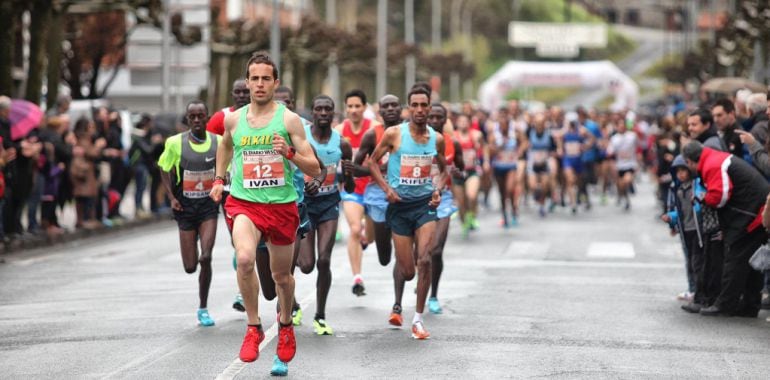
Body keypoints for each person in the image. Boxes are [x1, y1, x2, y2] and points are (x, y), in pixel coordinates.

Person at [209, 52, 320, 364]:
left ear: (276, 83)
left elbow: (315, 167)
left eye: (265, 79)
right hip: (245, 203)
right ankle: (254, 327)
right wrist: (219, 178)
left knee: (281, 277)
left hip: (282, 206)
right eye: (254, 78)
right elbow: (226, 145)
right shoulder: (234, 119)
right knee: (244, 259)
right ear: (247, 82)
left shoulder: (288, 120)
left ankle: (285, 325)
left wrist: (289, 153)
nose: (259, 84)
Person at [367, 86, 448, 339]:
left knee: (425, 259)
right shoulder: (394, 135)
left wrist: (437, 190)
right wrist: (386, 189)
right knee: (409, 270)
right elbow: (371, 162)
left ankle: (418, 319)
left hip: (424, 205)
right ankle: (407, 296)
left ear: (430, 106)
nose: (420, 110)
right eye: (415, 105)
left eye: (425, 105)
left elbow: (444, 170)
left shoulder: (437, 139)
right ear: (408, 107)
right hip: (399, 207)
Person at [682, 141, 769, 317]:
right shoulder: (715, 159)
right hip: (754, 211)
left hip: (749, 214)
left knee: (736, 258)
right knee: (752, 261)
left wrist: (703, 198)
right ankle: (750, 305)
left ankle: (725, 304)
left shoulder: (712, 164)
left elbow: (719, 196)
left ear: (689, 161)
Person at [296, 95, 355, 336]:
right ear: (312, 112)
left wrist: (349, 175)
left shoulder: (343, 144)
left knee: (324, 260)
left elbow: (349, 188)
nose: (323, 113)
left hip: (330, 204)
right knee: (307, 265)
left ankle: (320, 315)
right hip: (305, 204)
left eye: (327, 109)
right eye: (318, 109)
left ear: (333, 113)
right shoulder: (302, 138)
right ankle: (292, 304)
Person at [158, 101, 219, 327]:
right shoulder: (175, 143)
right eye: (191, 116)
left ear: (207, 118)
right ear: (187, 119)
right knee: (190, 266)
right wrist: (172, 197)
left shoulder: (218, 142)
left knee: (206, 257)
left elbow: (227, 167)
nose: (196, 120)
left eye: (200, 116)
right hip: (184, 207)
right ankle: (191, 241)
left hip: (208, 207)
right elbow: (164, 168)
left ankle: (203, 307)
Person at [336, 89, 380, 297]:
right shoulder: (339, 130)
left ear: (364, 107)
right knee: (354, 229)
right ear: (346, 108)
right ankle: (357, 278)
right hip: (351, 189)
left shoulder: (373, 130)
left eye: (357, 106)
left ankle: (365, 236)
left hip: (371, 188)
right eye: (350, 106)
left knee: (369, 238)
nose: (353, 110)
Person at [355, 94, 403, 266]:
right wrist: (377, 169)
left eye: (394, 105)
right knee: (384, 258)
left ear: (401, 109)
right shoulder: (371, 135)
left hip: (406, 193)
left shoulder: (410, 132)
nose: (390, 109)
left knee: (405, 251)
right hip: (378, 194)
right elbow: (356, 169)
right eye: (386, 106)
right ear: (379, 111)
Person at [427, 103, 464, 314]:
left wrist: (458, 174)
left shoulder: (453, 144)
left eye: (438, 117)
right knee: (422, 252)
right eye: (431, 117)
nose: (434, 121)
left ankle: (433, 295)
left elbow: (461, 170)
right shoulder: (416, 141)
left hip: (444, 198)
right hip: (419, 198)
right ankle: (422, 275)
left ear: (445, 120)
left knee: (436, 250)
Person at [661, 155, 702, 306]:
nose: (681, 174)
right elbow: (680, 211)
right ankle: (693, 290)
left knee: (698, 262)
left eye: (684, 170)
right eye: (678, 171)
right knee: (690, 261)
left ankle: (700, 292)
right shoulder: (679, 190)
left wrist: (697, 200)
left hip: (697, 230)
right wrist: (671, 218)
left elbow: (700, 204)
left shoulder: (696, 185)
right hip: (686, 231)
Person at [488, 107, 524, 226]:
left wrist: (519, 151)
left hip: (511, 166)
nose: (503, 126)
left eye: (505, 124)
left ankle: (514, 209)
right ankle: (504, 214)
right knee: (502, 192)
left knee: (510, 189)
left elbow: (525, 142)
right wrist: (496, 148)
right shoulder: (494, 132)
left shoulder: (515, 131)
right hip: (498, 166)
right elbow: (489, 148)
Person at [453, 113, 486, 236]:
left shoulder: (476, 135)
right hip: (458, 173)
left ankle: (472, 216)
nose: (463, 123)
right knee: (461, 203)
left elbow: (484, 147)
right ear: (457, 123)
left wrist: (485, 160)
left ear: (469, 123)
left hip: (472, 171)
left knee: (472, 196)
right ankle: (464, 222)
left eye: (465, 121)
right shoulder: (453, 136)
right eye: (460, 121)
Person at [557, 112, 594, 214]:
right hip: (568, 159)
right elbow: (558, 137)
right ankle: (573, 203)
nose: (572, 124)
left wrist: (585, 146)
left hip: (579, 159)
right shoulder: (565, 131)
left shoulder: (581, 130)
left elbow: (592, 138)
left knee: (579, 181)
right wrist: (560, 148)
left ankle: (582, 196)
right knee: (570, 180)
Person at [526, 113, 557, 217]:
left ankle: (542, 205)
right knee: (533, 185)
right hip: (533, 162)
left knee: (544, 185)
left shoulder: (549, 134)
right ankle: (536, 197)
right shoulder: (530, 132)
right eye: (537, 122)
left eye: (542, 123)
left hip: (544, 162)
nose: (539, 125)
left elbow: (554, 148)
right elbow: (524, 143)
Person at [607, 117, 638, 211]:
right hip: (620, 165)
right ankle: (626, 199)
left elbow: (638, 148)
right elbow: (609, 151)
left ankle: (627, 193)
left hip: (630, 164)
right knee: (621, 185)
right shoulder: (614, 138)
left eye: (623, 125)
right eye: (619, 125)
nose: (621, 127)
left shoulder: (632, 136)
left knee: (627, 181)